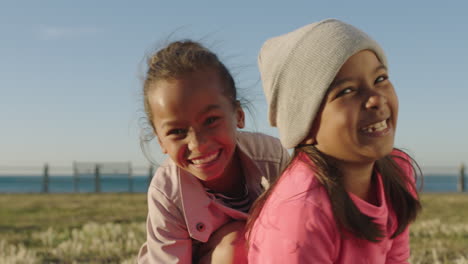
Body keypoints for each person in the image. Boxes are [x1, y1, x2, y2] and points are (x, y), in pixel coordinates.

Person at [247, 19, 422, 263]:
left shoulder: (397, 171)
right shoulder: (299, 216)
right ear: (305, 126)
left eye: (380, 79)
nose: (375, 99)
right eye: (347, 91)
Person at [137, 40, 289, 263]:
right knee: (236, 246)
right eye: (177, 131)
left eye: (210, 121)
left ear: (238, 114)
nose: (197, 144)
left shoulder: (272, 159)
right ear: (160, 140)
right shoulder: (167, 191)